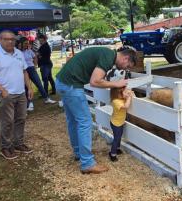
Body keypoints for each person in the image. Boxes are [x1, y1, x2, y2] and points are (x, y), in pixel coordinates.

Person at [55, 46, 137, 174]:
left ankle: (78, 153)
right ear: (126, 58)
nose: (126, 68)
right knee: (85, 122)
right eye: (128, 65)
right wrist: (116, 84)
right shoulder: (108, 57)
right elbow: (95, 81)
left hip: (62, 82)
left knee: (73, 121)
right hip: (71, 85)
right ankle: (87, 163)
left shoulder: (107, 53)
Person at [0, 30, 34, 160]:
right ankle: (5, 147)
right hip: (6, 94)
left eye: (12, 39)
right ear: (0, 40)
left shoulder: (19, 53)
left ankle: (18, 143)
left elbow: (24, 72)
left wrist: (29, 88)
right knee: (7, 121)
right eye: (7, 39)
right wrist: (1, 90)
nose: (10, 41)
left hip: (21, 92)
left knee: (21, 119)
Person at [21, 37, 56, 111]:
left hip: (31, 68)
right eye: (25, 43)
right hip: (23, 70)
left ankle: (46, 98)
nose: (27, 45)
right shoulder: (18, 52)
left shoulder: (29, 51)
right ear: (21, 44)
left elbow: (35, 57)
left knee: (39, 84)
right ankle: (29, 104)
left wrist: (35, 65)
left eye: (27, 43)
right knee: (27, 87)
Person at [109, 87, 134, 162]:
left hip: (120, 122)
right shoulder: (116, 101)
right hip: (116, 124)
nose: (125, 94)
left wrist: (129, 93)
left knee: (119, 136)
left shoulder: (120, 99)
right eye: (123, 92)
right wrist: (129, 98)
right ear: (117, 94)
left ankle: (117, 148)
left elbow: (130, 94)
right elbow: (126, 106)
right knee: (116, 138)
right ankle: (112, 154)